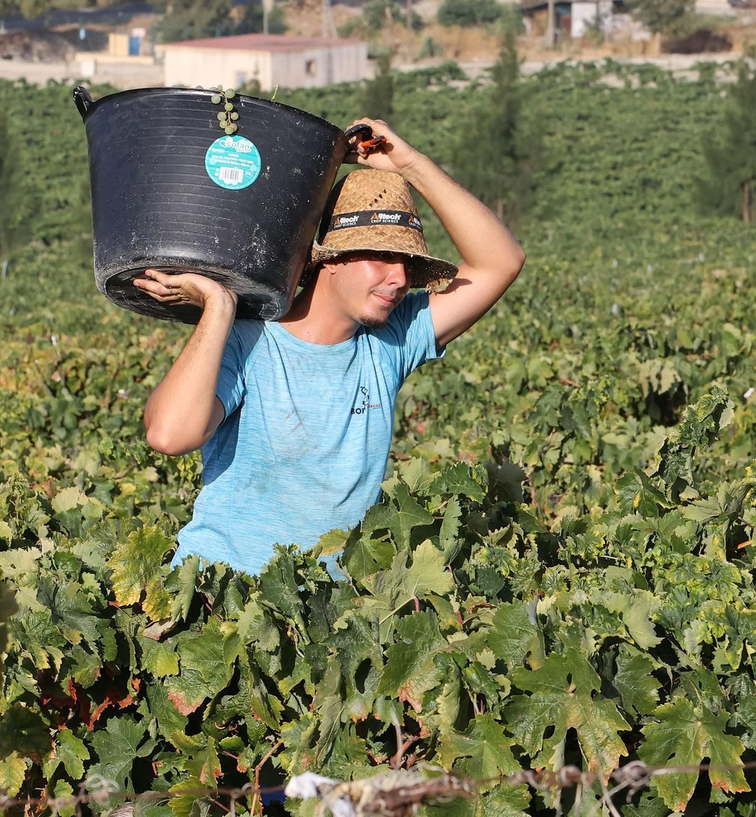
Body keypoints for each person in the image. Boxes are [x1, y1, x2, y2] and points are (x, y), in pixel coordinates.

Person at [137, 118, 525, 575]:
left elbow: (502, 262)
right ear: (331, 260)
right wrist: (219, 308)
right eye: (381, 256)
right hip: (224, 602)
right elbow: (167, 435)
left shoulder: (390, 339)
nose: (399, 278)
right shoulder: (247, 340)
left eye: (406, 262)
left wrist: (411, 165)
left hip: (331, 617)